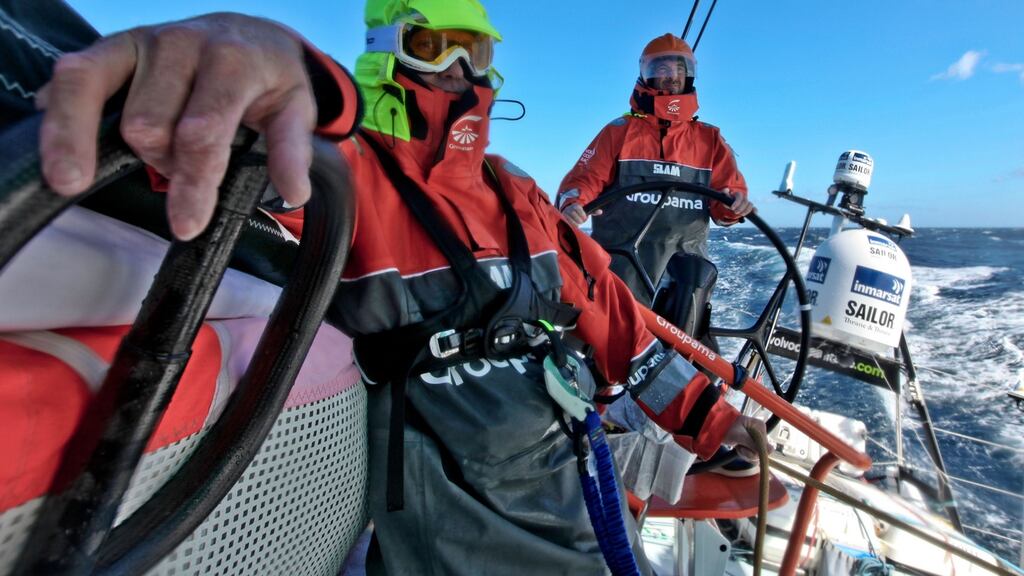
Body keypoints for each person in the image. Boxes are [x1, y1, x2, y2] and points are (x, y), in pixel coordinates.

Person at [20, 2, 767, 574]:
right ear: (386, 53)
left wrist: (710, 416)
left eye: (473, 52)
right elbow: (255, 159)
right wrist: (253, 64)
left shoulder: (517, 194)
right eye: (430, 46)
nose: (459, 73)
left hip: (572, 471)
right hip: (458, 509)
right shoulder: (346, 178)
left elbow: (612, 314)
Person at [557, 33, 754, 306]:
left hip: (684, 281)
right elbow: (584, 179)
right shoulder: (619, 131)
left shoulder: (711, 140)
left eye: (678, 69)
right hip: (618, 273)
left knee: (689, 345)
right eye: (662, 68)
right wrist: (573, 203)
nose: (671, 76)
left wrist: (735, 207)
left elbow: (726, 203)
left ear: (689, 75)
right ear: (646, 73)